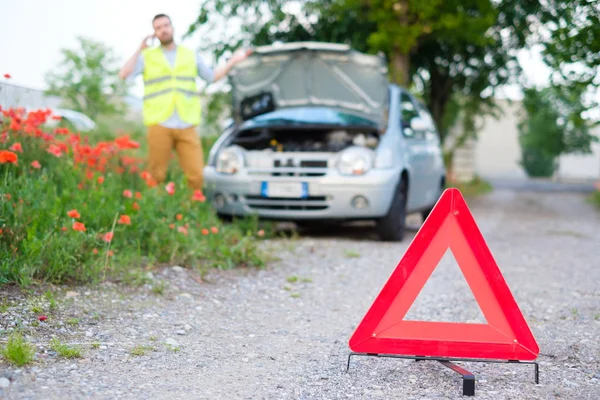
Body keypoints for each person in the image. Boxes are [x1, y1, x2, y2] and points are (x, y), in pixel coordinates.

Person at [118, 13, 252, 191]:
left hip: (186, 121)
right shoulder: (147, 56)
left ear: (172, 27)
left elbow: (212, 77)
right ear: (154, 33)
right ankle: (156, 211)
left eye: (165, 25)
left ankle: (192, 212)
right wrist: (140, 49)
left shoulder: (190, 55)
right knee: (156, 175)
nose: (163, 30)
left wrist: (233, 61)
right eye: (158, 28)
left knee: (196, 175)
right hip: (159, 122)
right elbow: (124, 74)